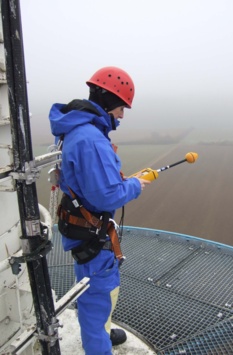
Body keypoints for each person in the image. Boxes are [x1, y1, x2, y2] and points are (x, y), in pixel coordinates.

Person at [49, 66, 150, 354]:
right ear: (108, 100)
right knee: (98, 296)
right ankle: (98, 343)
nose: (122, 115)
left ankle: (101, 334)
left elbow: (85, 181)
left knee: (95, 291)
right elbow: (107, 197)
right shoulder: (90, 139)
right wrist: (134, 185)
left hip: (81, 225)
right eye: (121, 107)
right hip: (91, 234)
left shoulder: (75, 129)